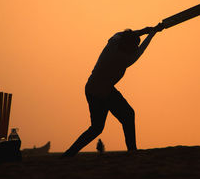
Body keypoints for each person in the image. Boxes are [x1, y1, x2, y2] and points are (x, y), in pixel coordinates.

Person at [62, 23, 164, 157]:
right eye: (133, 46)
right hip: (97, 92)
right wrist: (151, 33)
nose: (135, 48)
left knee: (125, 116)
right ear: (127, 46)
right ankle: (69, 154)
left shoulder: (114, 41)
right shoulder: (125, 58)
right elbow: (140, 51)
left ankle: (131, 150)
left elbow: (126, 36)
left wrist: (145, 30)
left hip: (101, 89)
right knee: (98, 127)